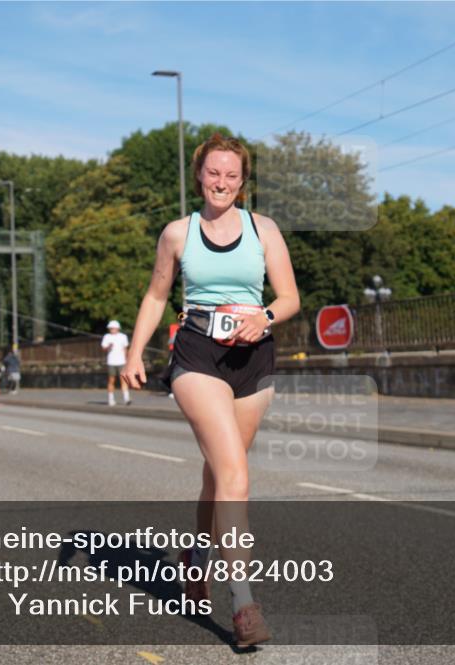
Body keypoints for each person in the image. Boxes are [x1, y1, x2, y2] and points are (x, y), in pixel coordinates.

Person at [121, 134, 299, 647]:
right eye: (213, 173)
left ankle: (196, 559)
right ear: (199, 175)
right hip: (197, 352)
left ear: (243, 182)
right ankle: (244, 606)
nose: (222, 183)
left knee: (218, 473)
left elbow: (288, 298)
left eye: (232, 176)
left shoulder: (264, 230)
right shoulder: (178, 233)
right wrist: (135, 352)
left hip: (254, 357)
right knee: (236, 474)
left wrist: (262, 317)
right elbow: (157, 294)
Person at [100, 320, 130, 406]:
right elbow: (104, 348)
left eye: (113, 328)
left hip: (121, 361)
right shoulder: (107, 337)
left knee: (123, 380)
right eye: (111, 328)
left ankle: (126, 398)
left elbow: (125, 348)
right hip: (111, 361)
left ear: (117, 328)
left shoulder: (123, 337)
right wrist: (108, 346)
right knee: (111, 380)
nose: (112, 330)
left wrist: (127, 359)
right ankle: (111, 399)